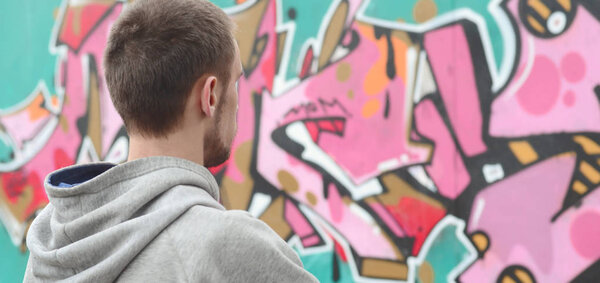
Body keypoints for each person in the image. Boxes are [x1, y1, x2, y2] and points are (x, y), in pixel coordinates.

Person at [23, 0, 319, 282]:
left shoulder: (54, 238)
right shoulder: (227, 244)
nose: (238, 102)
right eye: (236, 82)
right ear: (211, 95)